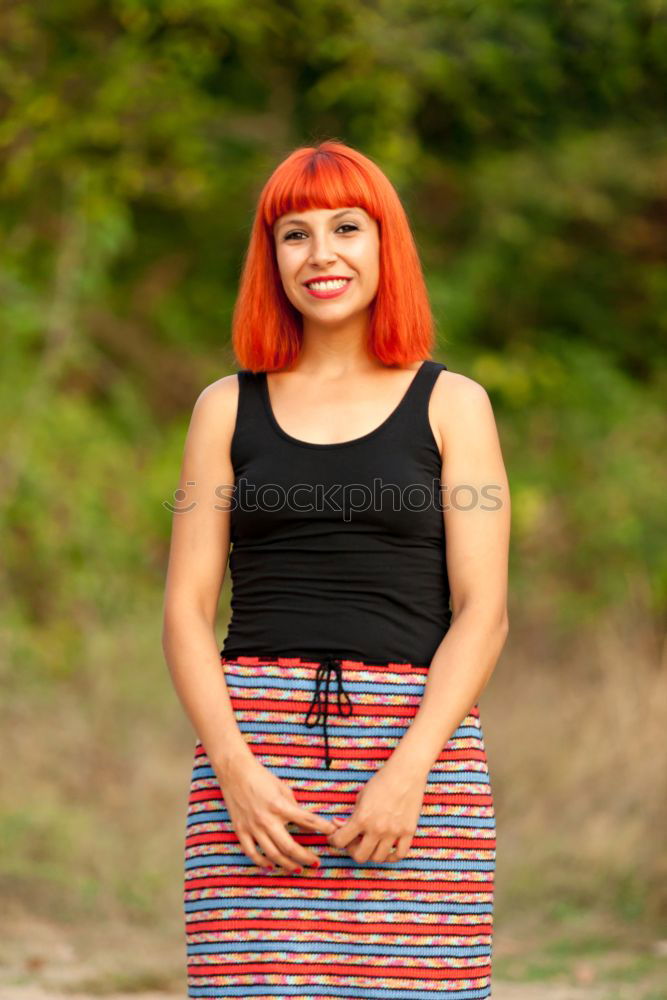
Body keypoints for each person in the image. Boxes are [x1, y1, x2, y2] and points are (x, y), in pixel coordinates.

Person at [162, 138, 510, 1000]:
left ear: (383, 244)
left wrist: (410, 768)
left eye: (346, 228)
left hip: (414, 757)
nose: (321, 255)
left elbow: (484, 610)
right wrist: (234, 772)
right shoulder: (222, 407)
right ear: (269, 258)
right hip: (254, 760)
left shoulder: (454, 405)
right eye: (295, 234)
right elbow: (184, 610)